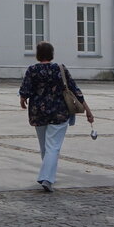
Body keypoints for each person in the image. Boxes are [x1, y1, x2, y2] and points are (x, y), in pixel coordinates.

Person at [18, 41, 94, 192]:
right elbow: (75, 89)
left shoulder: (32, 70)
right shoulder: (60, 69)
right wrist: (88, 110)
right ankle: (47, 178)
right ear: (52, 54)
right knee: (53, 147)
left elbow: (24, 90)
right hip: (59, 112)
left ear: (38, 54)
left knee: (45, 147)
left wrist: (22, 99)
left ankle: (48, 176)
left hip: (38, 112)